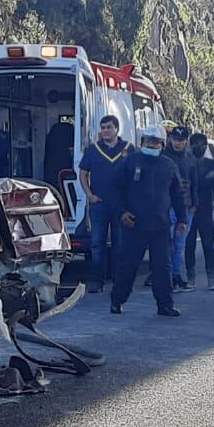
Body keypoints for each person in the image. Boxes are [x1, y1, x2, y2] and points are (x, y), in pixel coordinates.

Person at [110, 124, 188, 317]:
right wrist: (121, 212)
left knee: (162, 268)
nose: (151, 144)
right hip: (134, 224)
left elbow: (177, 195)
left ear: (162, 144)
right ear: (142, 141)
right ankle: (117, 301)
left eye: (155, 142)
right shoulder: (129, 162)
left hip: (160, 226)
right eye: (148, 141)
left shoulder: (169, 166)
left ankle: (165, 305)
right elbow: (114, 189)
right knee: (128, 265)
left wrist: (182, 219)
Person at [78, 115, 133, 294]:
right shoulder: (93, 150)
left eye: (109, 127)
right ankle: (97, 280)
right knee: (97, 244)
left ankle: (118, 280)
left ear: (117, 129)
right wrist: (89, 195)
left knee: (120, 244)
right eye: (103, 128)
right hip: (99, 205)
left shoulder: (128, 149)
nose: (105, 131)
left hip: (121, 206)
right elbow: (83, 173)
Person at [183, 132, 214, 290]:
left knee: (208, 245)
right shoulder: (186, 163)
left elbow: (209, 182)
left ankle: (212, 279)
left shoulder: (212, 163)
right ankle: (190, 278)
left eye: (201, 144)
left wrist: (193, 182)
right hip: (189, 209)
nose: (198, 147)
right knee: (189, 245)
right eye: (195, 144)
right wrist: (198, 181)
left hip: (206, 210)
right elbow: (186, 184)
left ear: (206, 146)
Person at [165, 125, 196, 290]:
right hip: (168, 206)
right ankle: (166, 276)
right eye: (175, 139)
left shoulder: (189, 158)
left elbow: (195, 182)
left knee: (180, 244)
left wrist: (195, 203)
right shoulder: (164, 157)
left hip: (186, 206)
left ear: (186, 141)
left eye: (181, 140)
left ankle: (176, 275)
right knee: (167, 243)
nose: (177, 143)